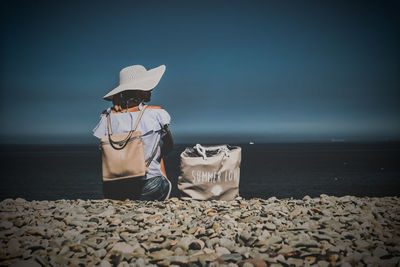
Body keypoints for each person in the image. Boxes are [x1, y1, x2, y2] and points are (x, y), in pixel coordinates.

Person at [92, 65, 174, 201]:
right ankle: (164, 182)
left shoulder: (106, 116)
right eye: (147, 86)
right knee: (157, 148)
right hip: (148, 187)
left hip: (112, 189)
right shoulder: (157, 113)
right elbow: (170, 146)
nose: (152, 89)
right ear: (139, 91)